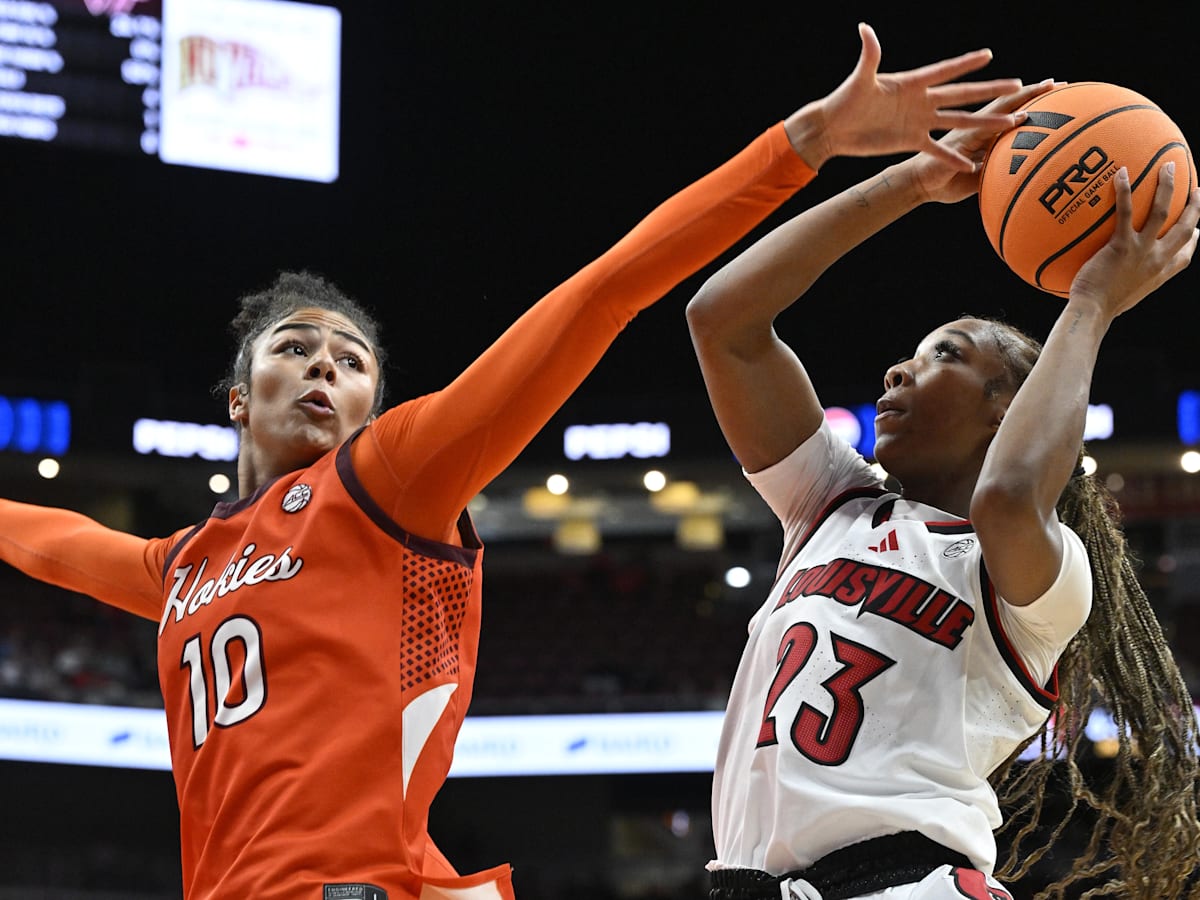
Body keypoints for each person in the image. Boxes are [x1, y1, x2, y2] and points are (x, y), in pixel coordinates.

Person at [0, 24, 1027, 900]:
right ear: (238, 397)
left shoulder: (389, 478)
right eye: (295, 348)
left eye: (352, 361)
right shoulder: (183, 564)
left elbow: (600, 294)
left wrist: (801, 145)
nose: (325, 366)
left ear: (377, 406)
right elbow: (45, 542)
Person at [685, 72, 1200, 899]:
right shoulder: (830, 507)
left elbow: (1006, 495)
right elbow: (723, 322)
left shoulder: (1044, 579)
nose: (899, 368)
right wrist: (913, 181)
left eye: (946, 356)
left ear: (1009, 412)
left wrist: (1093, 302)